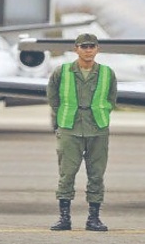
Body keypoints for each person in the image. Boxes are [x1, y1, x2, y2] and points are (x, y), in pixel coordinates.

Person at [46, 33, 118, 232]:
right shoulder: (62, 72)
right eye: (84, 46)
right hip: (70, 127)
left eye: (91, 46)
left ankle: (93, 218)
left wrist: (101, 112)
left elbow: (112, 99)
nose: (88, 50)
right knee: (66, 174)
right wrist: (64, 115)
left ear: (97, 49)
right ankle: (64, 218)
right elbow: (52, 97)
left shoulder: (107, 73)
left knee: (96, 175)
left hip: (98, 128)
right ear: (75, 49)